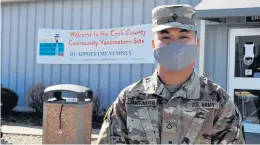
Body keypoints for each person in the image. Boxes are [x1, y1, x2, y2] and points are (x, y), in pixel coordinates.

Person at [96, 4, 245, 144]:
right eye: (165, 37)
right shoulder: (128, 99)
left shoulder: (219, 102)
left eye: (183, 37)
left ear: (196, 42)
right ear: (154, 44)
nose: (175, 45)